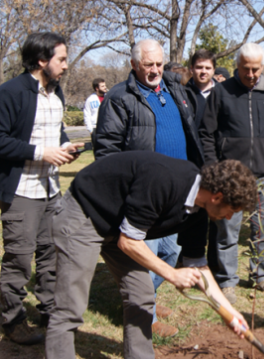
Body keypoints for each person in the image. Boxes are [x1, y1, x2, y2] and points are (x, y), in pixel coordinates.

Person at [45, 152, 255, 359]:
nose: (229, 217)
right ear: (216, 196)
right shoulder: (165, 179)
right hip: (85, 214)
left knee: (141, 294)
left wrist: (230, 313)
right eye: (231, 210)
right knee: (71, 305)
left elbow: (198, 265)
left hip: (120, 226)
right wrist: (172, 274)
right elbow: (128, 242)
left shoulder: (199, 210)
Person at [95, 39, 206, 337]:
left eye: (159, 63)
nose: (155, 70)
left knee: (170, 253)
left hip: (177, 192)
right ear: (134, 65)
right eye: (148, 65)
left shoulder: (175, 90)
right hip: (144, 195)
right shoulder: (120, 98)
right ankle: (145, 314)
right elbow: (106, 151)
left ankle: (149, 299)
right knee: (146, 257)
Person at [0, 32, 83, 345]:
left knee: (52, 254)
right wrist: (41, 153)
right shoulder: (10, 93)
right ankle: (13, 321)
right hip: (21, 192)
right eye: (62, 59)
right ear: (42, 60)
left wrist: (67, 146)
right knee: (19, 258)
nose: (66, 66)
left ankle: (49, 311)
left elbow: (54, 133)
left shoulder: (56, 94)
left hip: (50, 189)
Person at [200, 43, 264, 303]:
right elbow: (207, 133)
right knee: (228, 231)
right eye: (245, 69)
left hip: (263, 175)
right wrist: (212, 168)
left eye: (255, 69)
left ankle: (260, 276)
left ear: (263, 67)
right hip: (230, 178)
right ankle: (228, 280)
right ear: (237, 66)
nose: (250, 74)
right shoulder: (221, 92)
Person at [185, 49, 218, 131]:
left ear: (214, 70)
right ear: (191, 69)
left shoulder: (223, 93)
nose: (203, 71)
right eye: (199, 67)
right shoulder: (182, 94)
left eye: (208, 68)